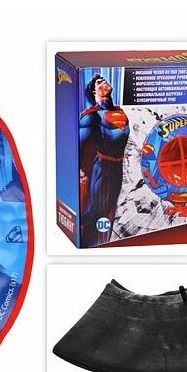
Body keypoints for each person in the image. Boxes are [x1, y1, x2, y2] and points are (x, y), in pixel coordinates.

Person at [79, 74, 130, 246]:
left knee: (109, 209)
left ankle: (99, 242)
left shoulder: (120, 111)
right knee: (97, 210)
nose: (104, 82)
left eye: (104, 80)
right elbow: (77, 142)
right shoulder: (92, 115)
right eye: (99, 82)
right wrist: (79, 169)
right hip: (102, 167)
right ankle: (80, 231)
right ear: (94, 92)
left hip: (118, 167)